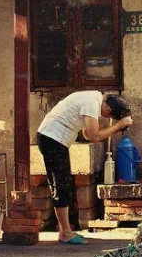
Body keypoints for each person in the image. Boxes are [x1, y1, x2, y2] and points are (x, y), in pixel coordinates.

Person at [37, 91, 132, 244]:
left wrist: (114, 126)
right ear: (107, 110)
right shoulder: (92, 102)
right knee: (61, 185)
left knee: (63, 183)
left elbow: (87, 134)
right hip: (52, 139)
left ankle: (65, 231)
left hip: (52, 138)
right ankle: (65, 233)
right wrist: (118, 125)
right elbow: (95, 137)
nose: (104, 118)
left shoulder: (91, 98)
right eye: (108, 116)